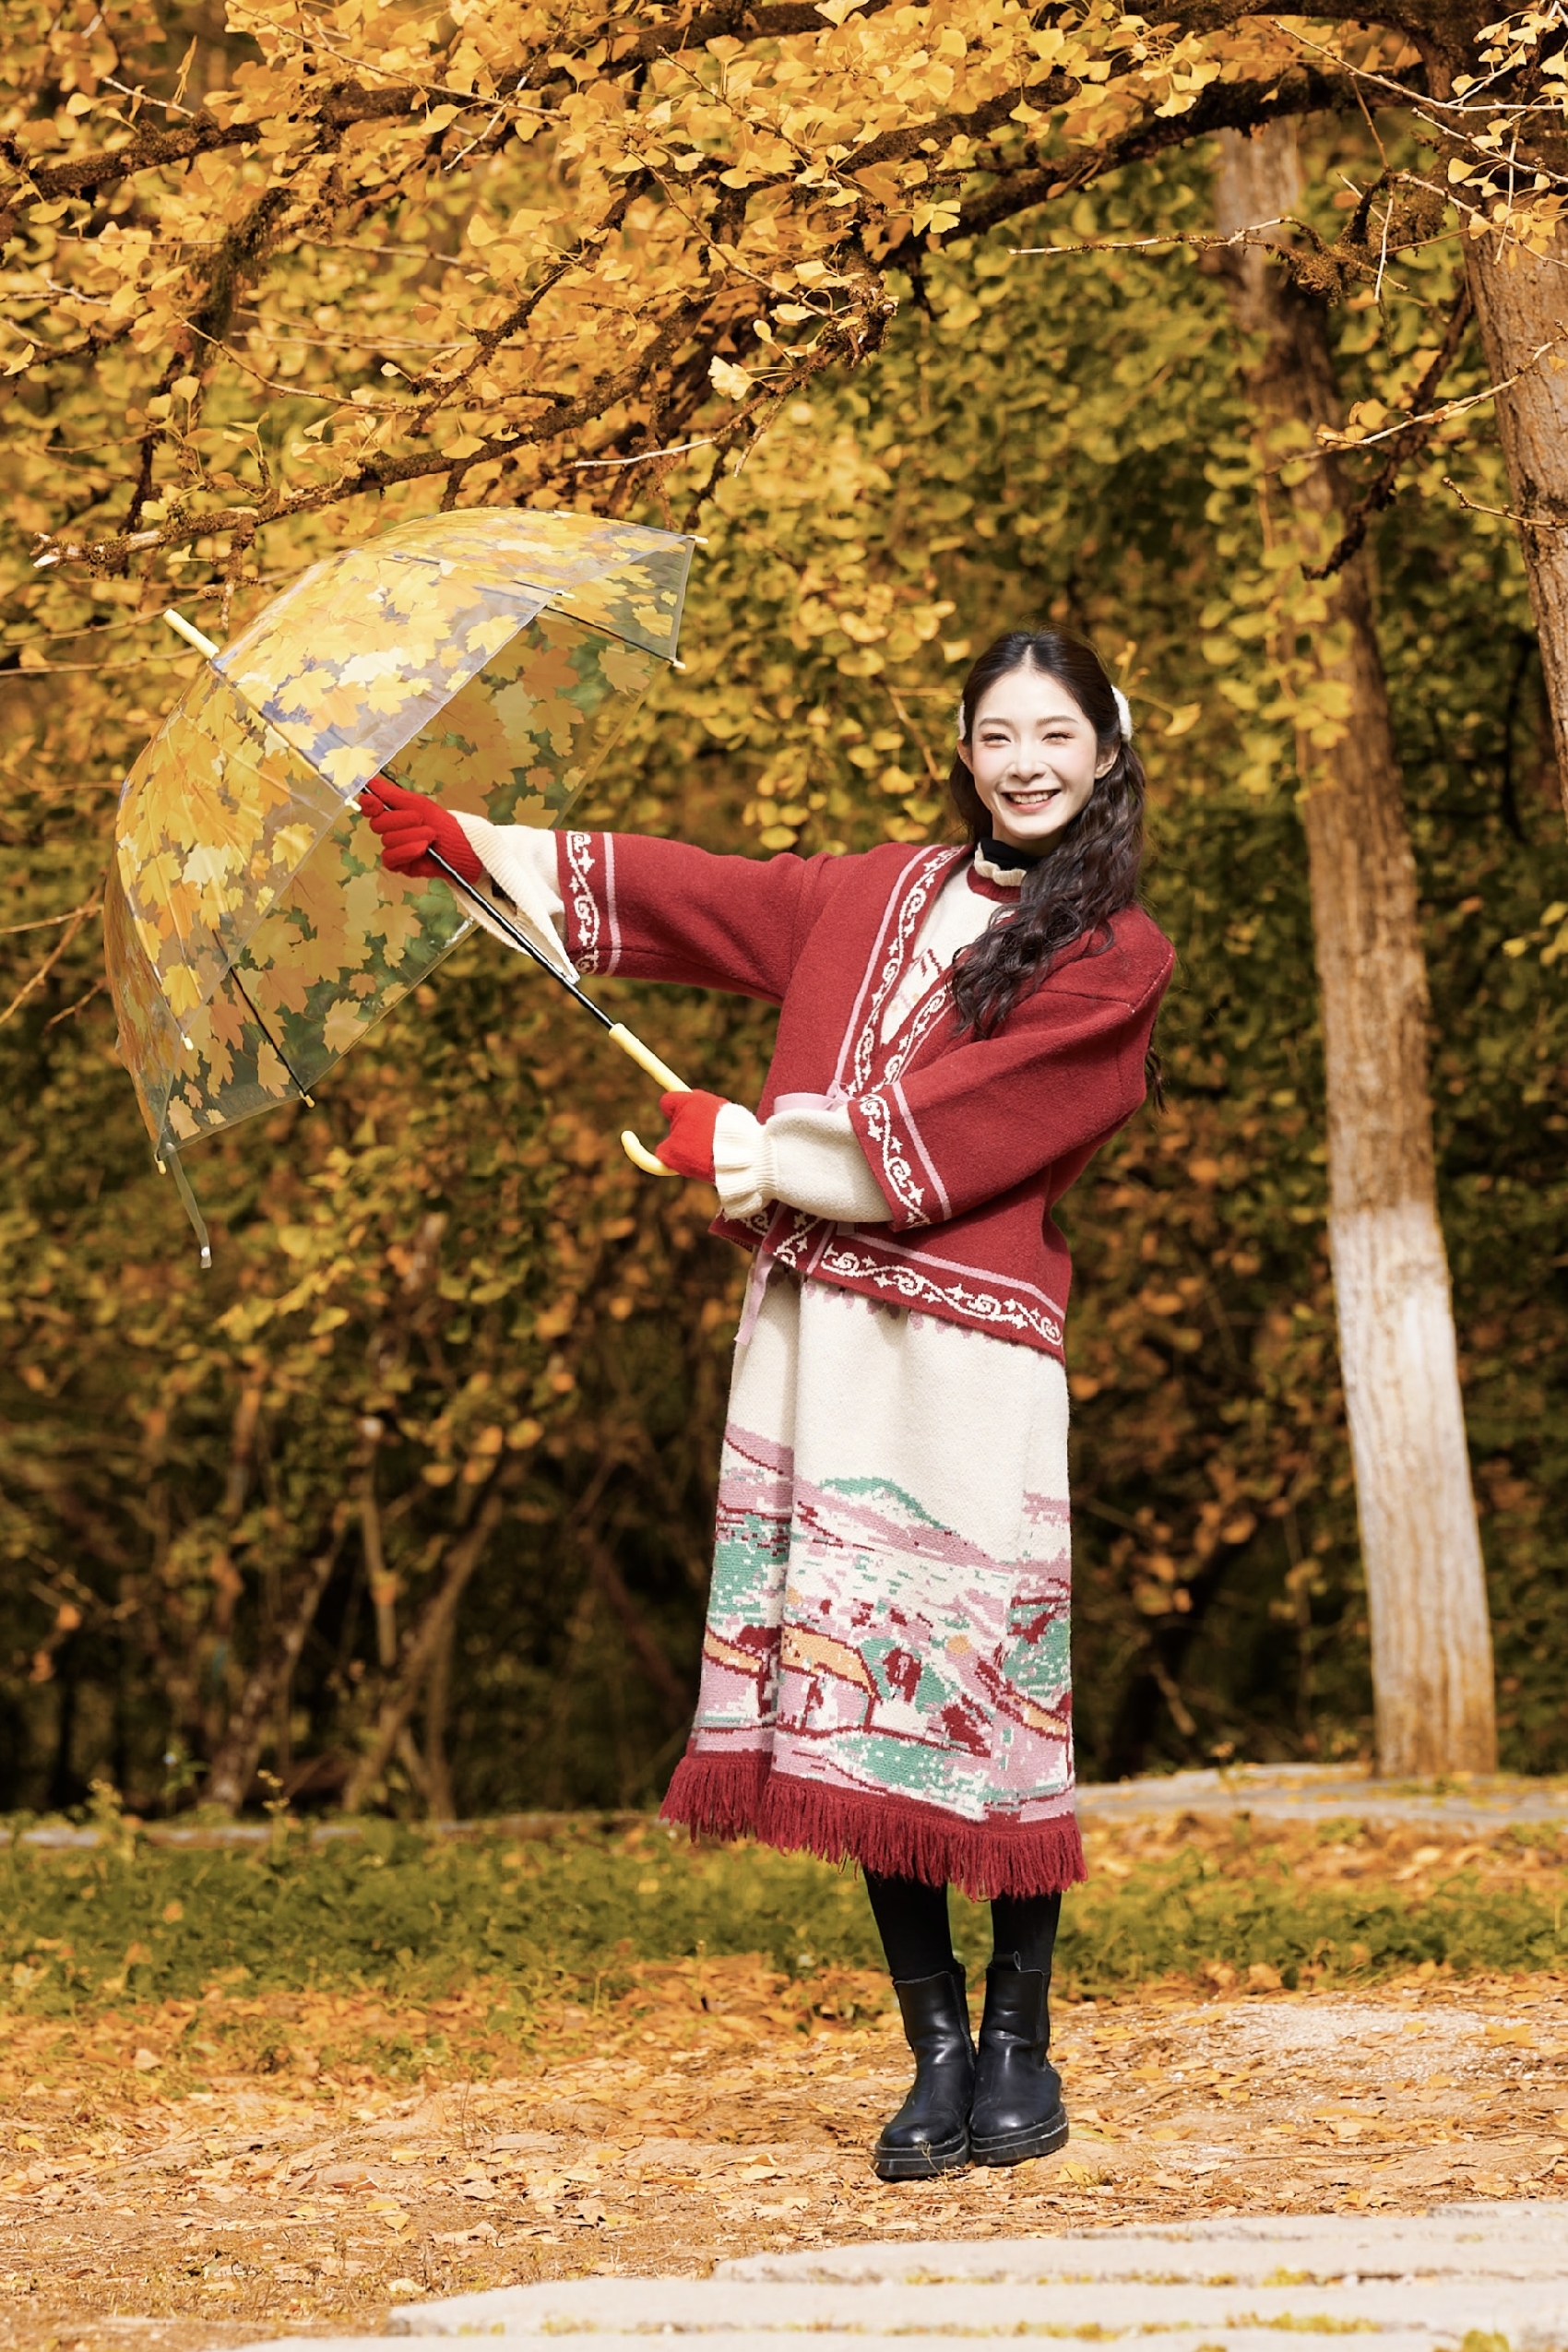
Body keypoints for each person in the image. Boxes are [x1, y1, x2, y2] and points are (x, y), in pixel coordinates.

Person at [363, 627, 1174, 2180]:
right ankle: (935, 2047)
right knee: (849, 1670)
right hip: (821, 1335)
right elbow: (691, 892)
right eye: (999, 734)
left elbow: (984, 1125)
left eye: (1055, 735)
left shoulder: (1115, 956)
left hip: (974, 1357)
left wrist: (755, 1151)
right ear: (963, 746)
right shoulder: (867, 892)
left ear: (1106, 751)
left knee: (981, 1695)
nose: (1026, 763)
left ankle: (1020, 2034)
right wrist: (481, 848)